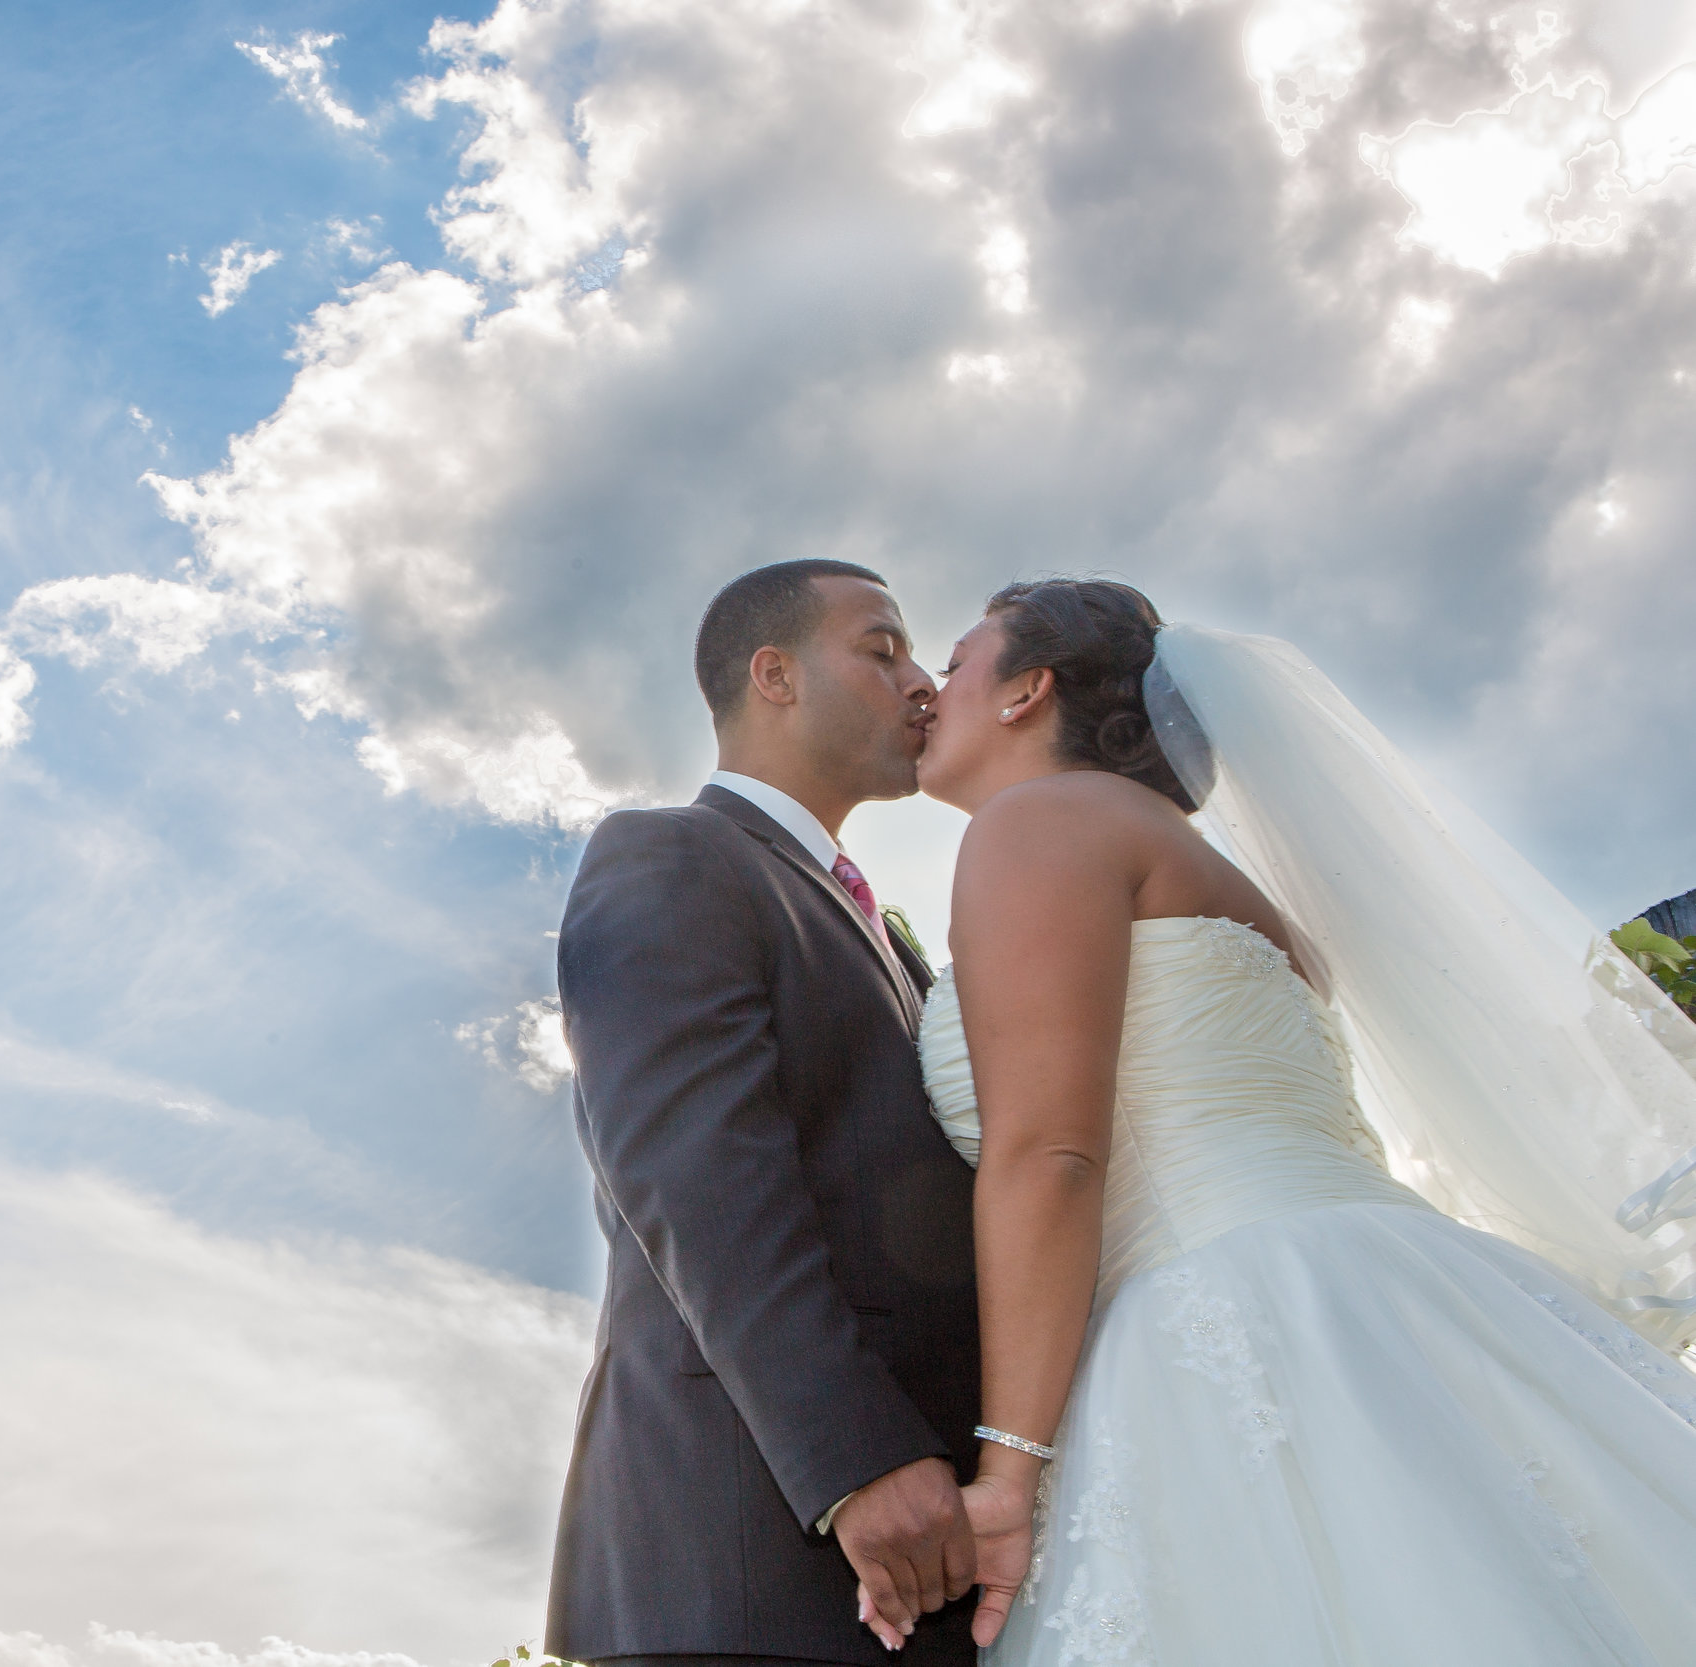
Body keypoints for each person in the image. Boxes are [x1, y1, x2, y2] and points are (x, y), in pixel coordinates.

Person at [916, 579, 1696, 1662]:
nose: (927, 688)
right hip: (1385, 1286)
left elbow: (1051, 1152)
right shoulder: (1237, 891)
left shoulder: (1040, 820)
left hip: (1223, 1314)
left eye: (954, 661)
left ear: (1026, 691)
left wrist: (1006, 1469)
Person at [546, 560, 983, 1667]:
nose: (921, 681)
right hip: (742, 1556)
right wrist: (854, 1459)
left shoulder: (892, 935)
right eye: (882, 649)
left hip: (922, 1556)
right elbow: (698, 1177)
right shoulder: (671, 855)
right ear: (774, 675)